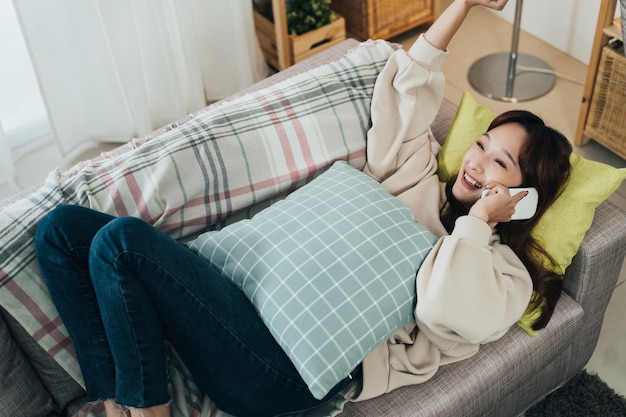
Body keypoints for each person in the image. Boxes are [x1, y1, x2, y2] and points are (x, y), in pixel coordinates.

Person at [34, 0, 572, 416]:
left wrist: (478, 225)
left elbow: (439, 308)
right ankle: (115, 404)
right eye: (481, 145)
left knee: (122, 243)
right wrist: (463, 5)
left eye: (500, 164)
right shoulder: (416, 175)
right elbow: (408, 86)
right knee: (60, 231)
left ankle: (147, 410)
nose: (477, 163)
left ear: (523, 196)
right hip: (240, 308)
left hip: (288, 369)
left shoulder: (504, 276)